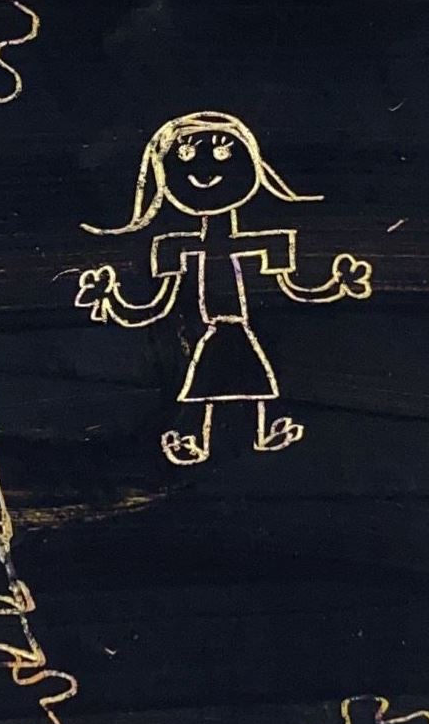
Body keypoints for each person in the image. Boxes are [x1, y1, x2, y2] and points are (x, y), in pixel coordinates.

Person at [74, 110, 371, 465]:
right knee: (215, 381)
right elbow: (157, 305)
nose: (203, 168)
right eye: (184, 155)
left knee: (242, 379)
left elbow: (293, 288)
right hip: (215, 330)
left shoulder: (264, 242)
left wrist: (337, 285)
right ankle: (202, 440)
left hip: (234, 328)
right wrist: (111, 300)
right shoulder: (175, 246)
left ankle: (256, 435)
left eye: (223, 153)